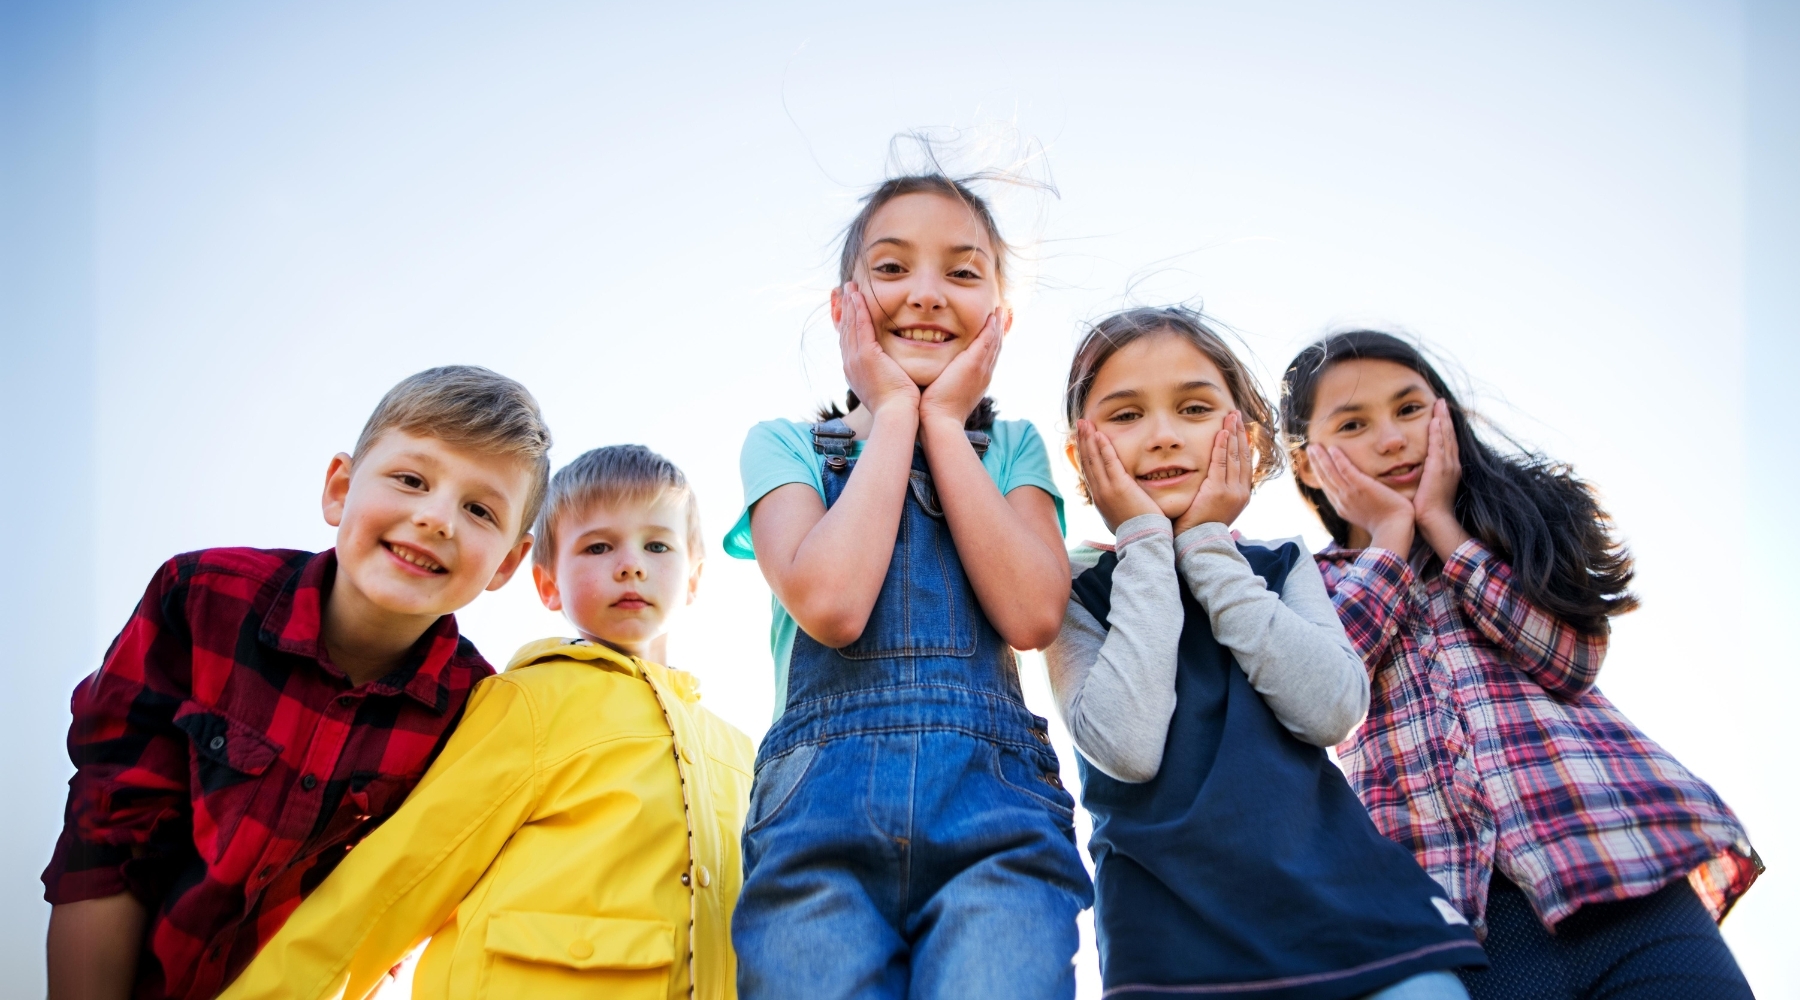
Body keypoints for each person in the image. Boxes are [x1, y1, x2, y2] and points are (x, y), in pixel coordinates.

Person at [43, 366, 551, 1000]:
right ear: (339, 488)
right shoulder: (202, 599)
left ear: (506, 563)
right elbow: (107, 838)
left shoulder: (478, 714)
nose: (436, 518)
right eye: (411, 480)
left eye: (479, 509)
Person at [1282, 330, 1761, 999]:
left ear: (1445, 414)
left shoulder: (1512, 530)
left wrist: (1445, 529)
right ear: (1306, 464)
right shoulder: (1306, 584)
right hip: (1460, 922)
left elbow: (1569, 658)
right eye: (1354, 424)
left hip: (1621, 875)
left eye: (1410, 409)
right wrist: (1390, 539)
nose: (1391, 439)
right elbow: (1320, 687)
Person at [724, 173, 1092, 999]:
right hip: (817, 816)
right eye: (893, 270)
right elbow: (832, 603)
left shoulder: (1013, 451)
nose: (926, 295)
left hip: (993, 813)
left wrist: (944, 425)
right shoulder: (784, 446)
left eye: (962, 274)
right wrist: (894, 413)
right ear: (843, 304)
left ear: (1000, 314)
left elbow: (1034, 613)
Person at [1048, 307, 1487, 1000]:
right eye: (1126, 416)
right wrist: (1143, 541)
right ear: (1081, 454)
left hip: (1356, 919)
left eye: (1193, 407)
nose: (1162, 436)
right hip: (1175, 948)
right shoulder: (1070, 584)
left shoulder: (1278, 564)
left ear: (1247, 441)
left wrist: (1205, 548)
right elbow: (1126, 746)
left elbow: (1332, 709)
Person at [216, 445, 754, 1000]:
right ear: (548, 585)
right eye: (598, 546)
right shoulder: (532, 700)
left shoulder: (743, 755)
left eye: (657, 544)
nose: (631, 564)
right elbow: (398, 879)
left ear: (693, 578)